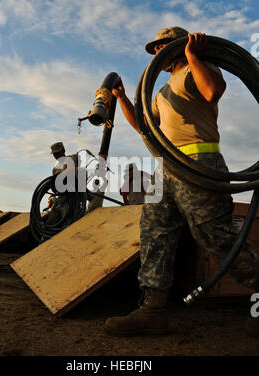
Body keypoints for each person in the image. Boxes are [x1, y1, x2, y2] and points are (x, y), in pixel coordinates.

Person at [105, 26, 259, 337]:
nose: (157, 52)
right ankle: (153, 309)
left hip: (200, 164)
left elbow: (212, 91)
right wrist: (122, 98)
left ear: (178, 44)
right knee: (155, 233)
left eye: (163, 45)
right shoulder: (160, 91)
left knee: (215, 236)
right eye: (155, 47)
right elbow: (146, 129)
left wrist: (192, 54)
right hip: (168, 167)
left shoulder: (197, 67)